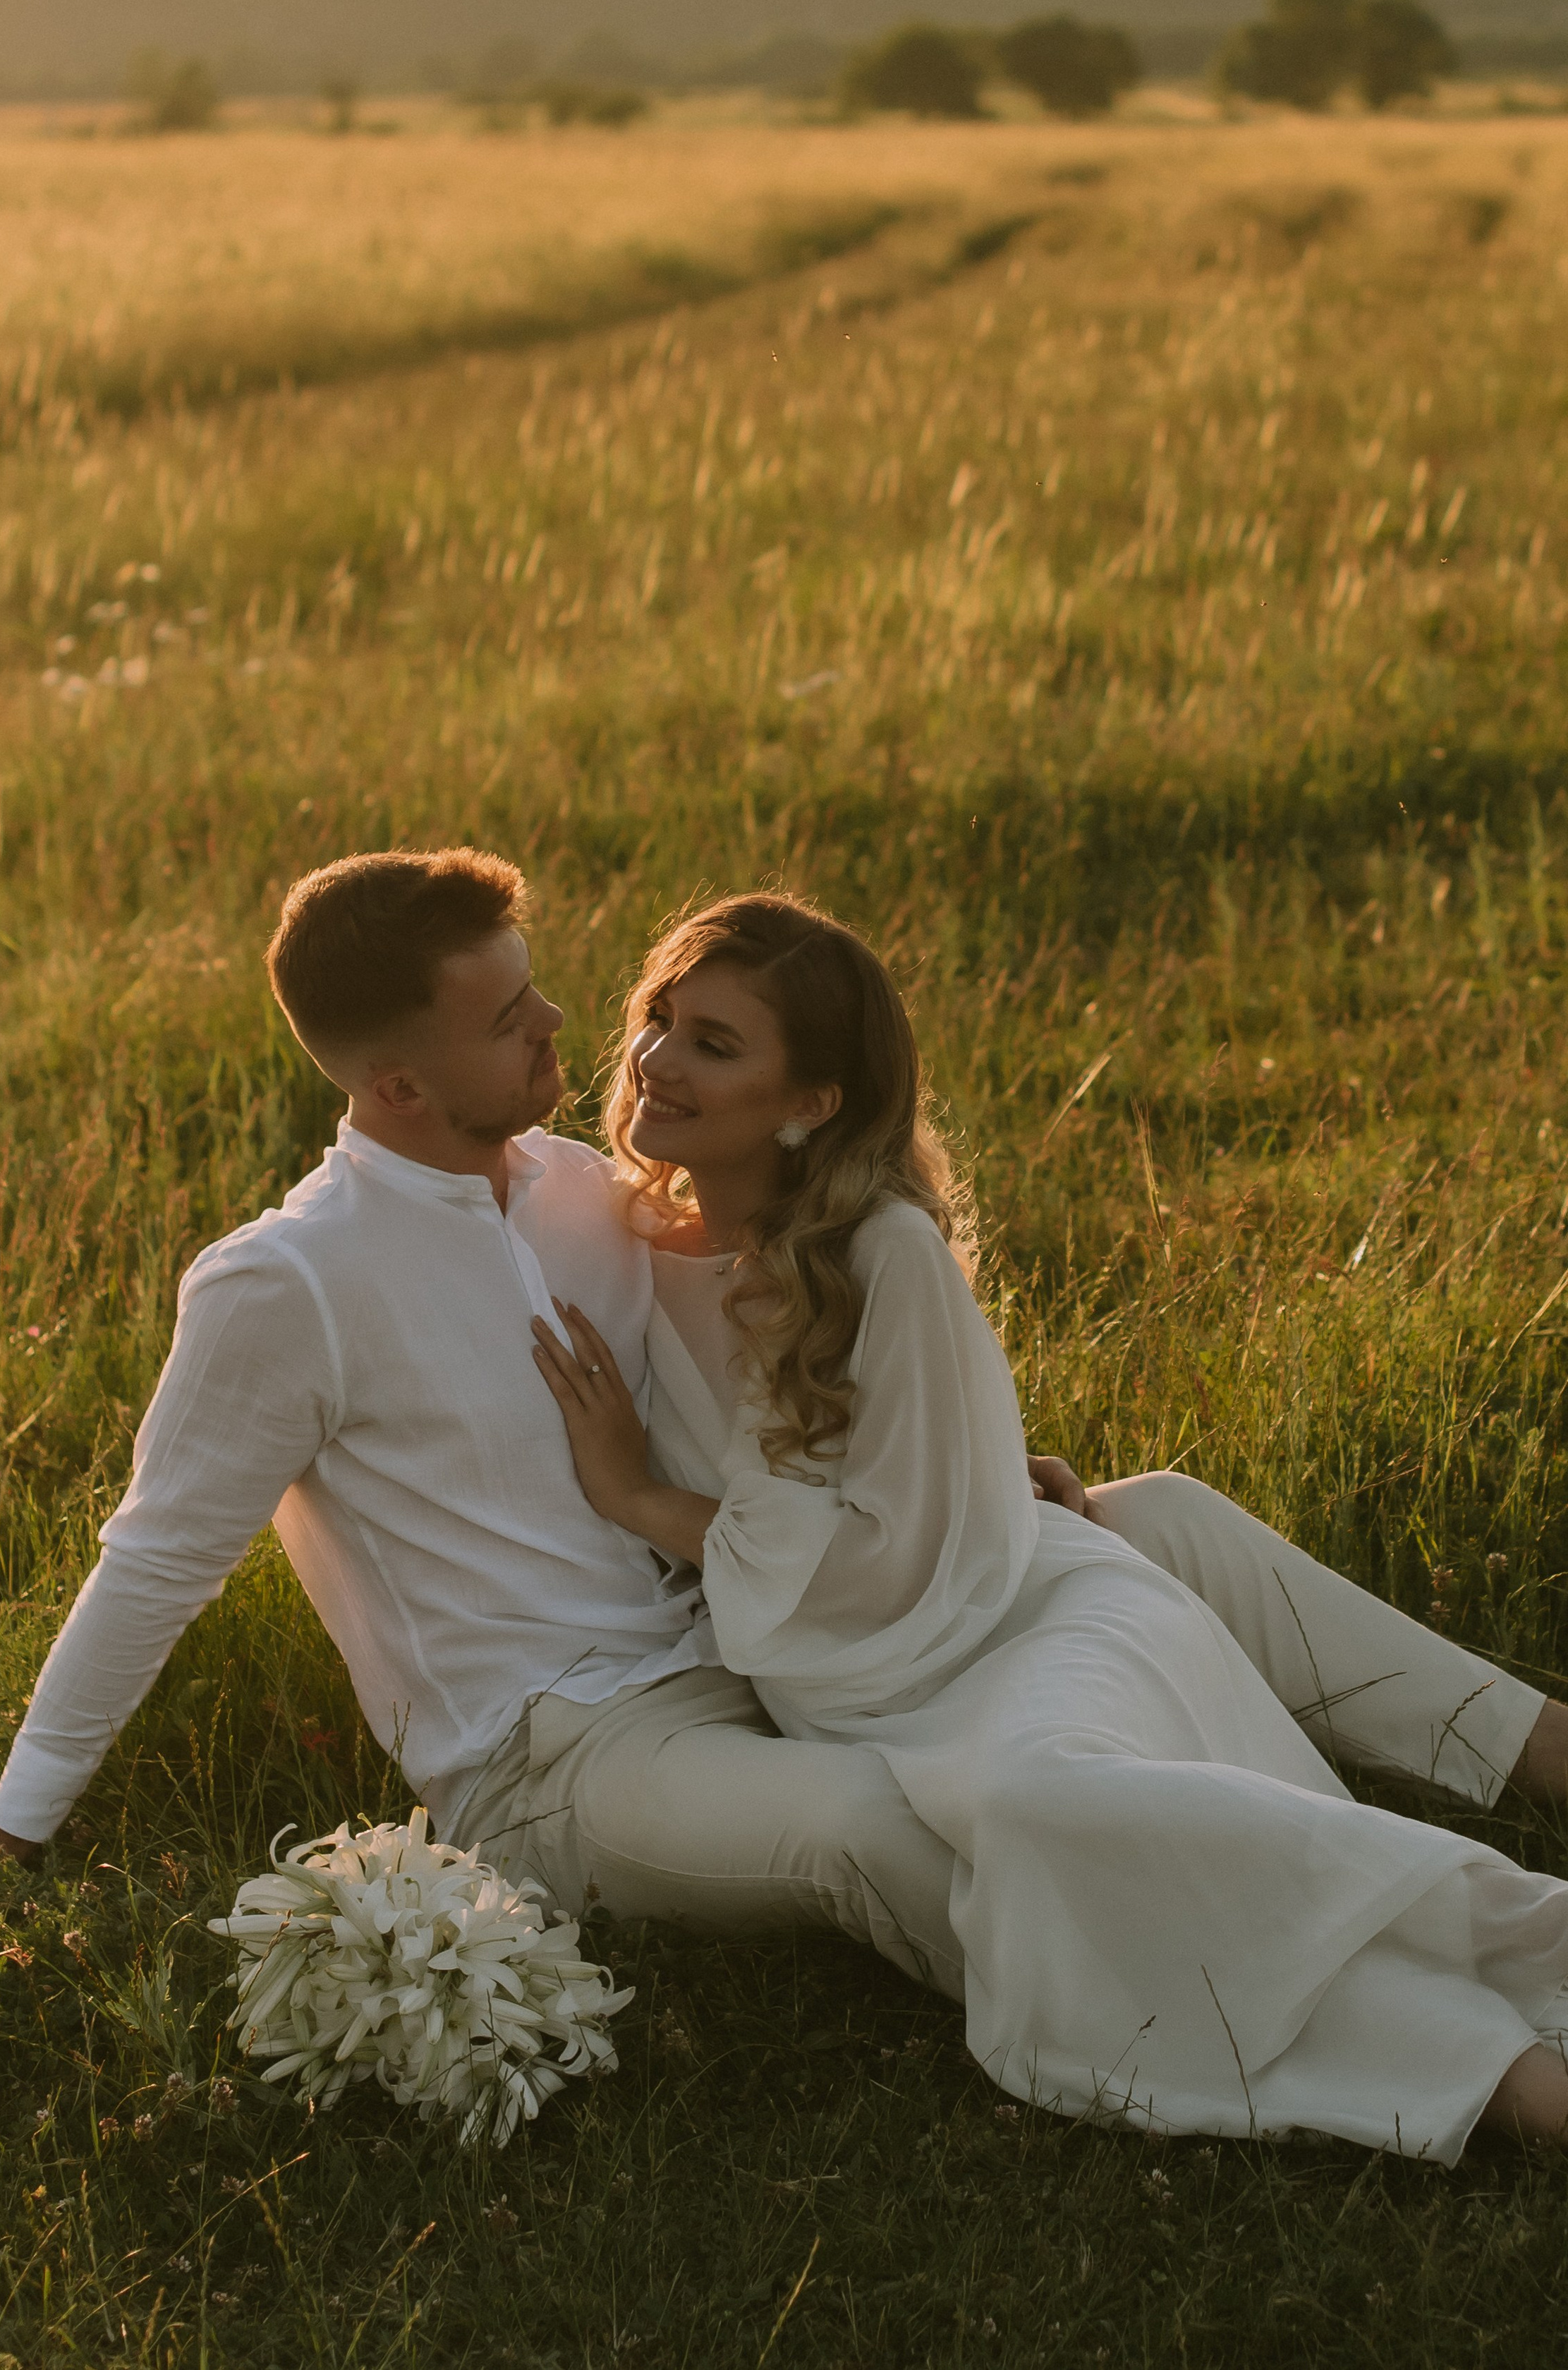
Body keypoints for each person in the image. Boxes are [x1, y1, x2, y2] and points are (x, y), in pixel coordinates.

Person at [0, 857, 1568, 2152]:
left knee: (1137, 1530)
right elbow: (153, 1562)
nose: (565, 1026)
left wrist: (973, 1481)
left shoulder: (590, 1191)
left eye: (543, 989)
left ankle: (1495, 1813)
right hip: (561, 1748)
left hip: (762, 1638)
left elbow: (803, 1368)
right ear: (395, 1083)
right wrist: (7, 1836)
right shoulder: (287, 1288)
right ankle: (1471, 2062)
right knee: (919, 1829)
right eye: (508, 1018)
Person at [527, 891, 1568, 2158]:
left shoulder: (884, 1250)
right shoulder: (614, 1237)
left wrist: (643, 1498)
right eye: (659, 1016)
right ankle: (1494, 2061)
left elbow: (888, 1563)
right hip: (866, 1694)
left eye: (714, 1043)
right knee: (1059, 1831)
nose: (656, 1057)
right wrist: (964, 1460)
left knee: (1042, 1800)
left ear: (812, 1102)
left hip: (1011, 1624)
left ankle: (1523, 1978)